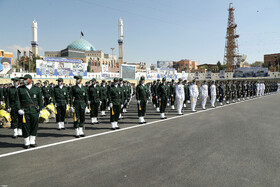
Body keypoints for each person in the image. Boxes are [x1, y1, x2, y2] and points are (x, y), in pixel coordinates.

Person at [17, 74, 43, 149]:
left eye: (26, 79)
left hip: (34, 110)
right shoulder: (20, 89)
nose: (24, 80)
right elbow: (17, 100)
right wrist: (19, 108)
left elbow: (40, 100)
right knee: (25, 126)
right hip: (25, 110)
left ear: (30, 79)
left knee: (34, 125)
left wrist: (41, 109)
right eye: (23, 79)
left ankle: (32, 141)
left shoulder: (37, 89)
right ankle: (26, 142)